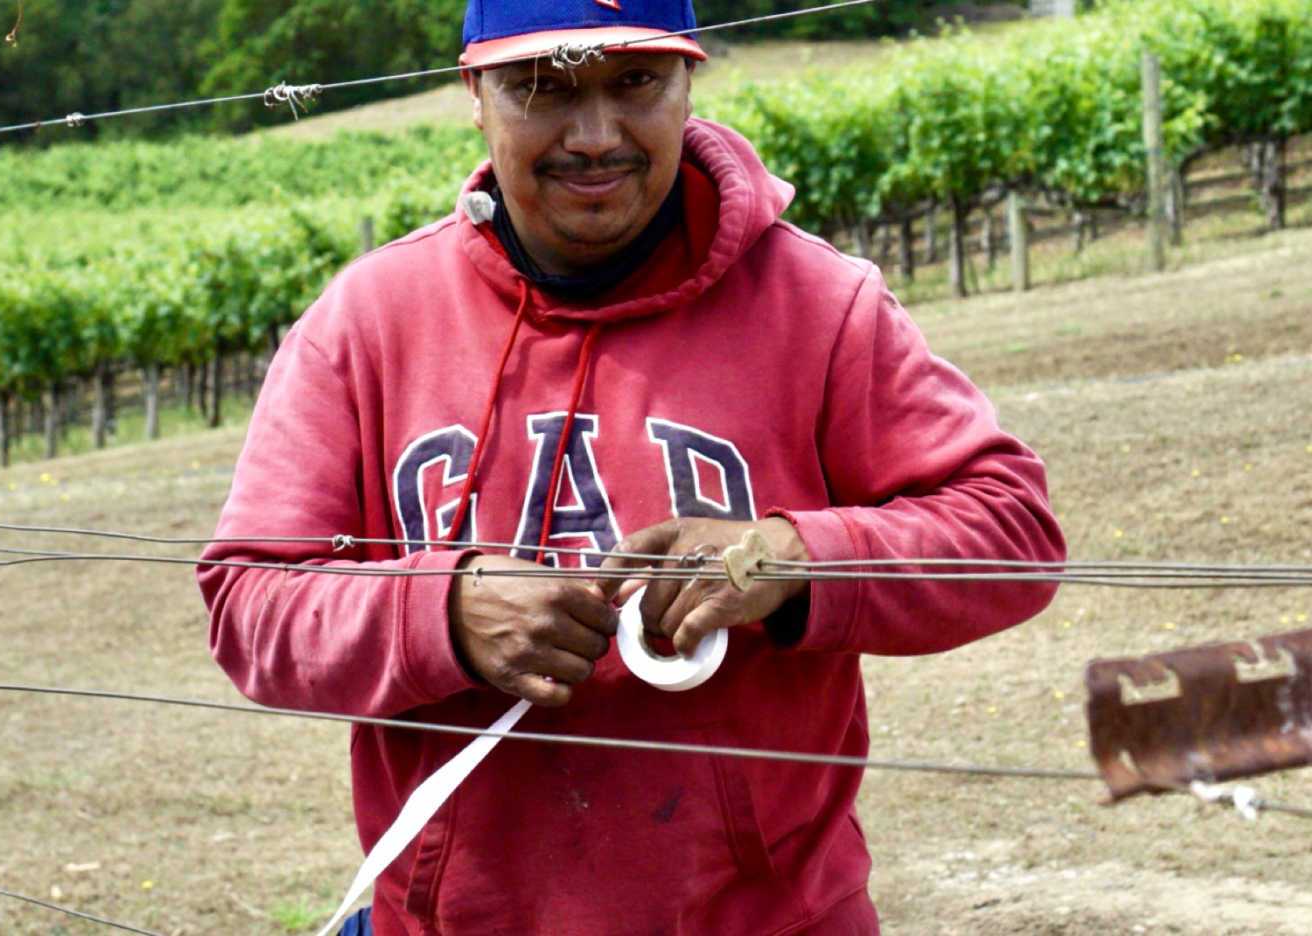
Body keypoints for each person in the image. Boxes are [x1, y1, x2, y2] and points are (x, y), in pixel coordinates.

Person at [197, 1, 1066, 932]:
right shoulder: (369, 322)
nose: (595, 135)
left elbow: (1011, 529)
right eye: (542, 88)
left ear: (688, 82)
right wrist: (441, 611)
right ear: (475, 94)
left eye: (635, 82)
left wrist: (789, 559)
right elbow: (250, 600)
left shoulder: (821, 305)